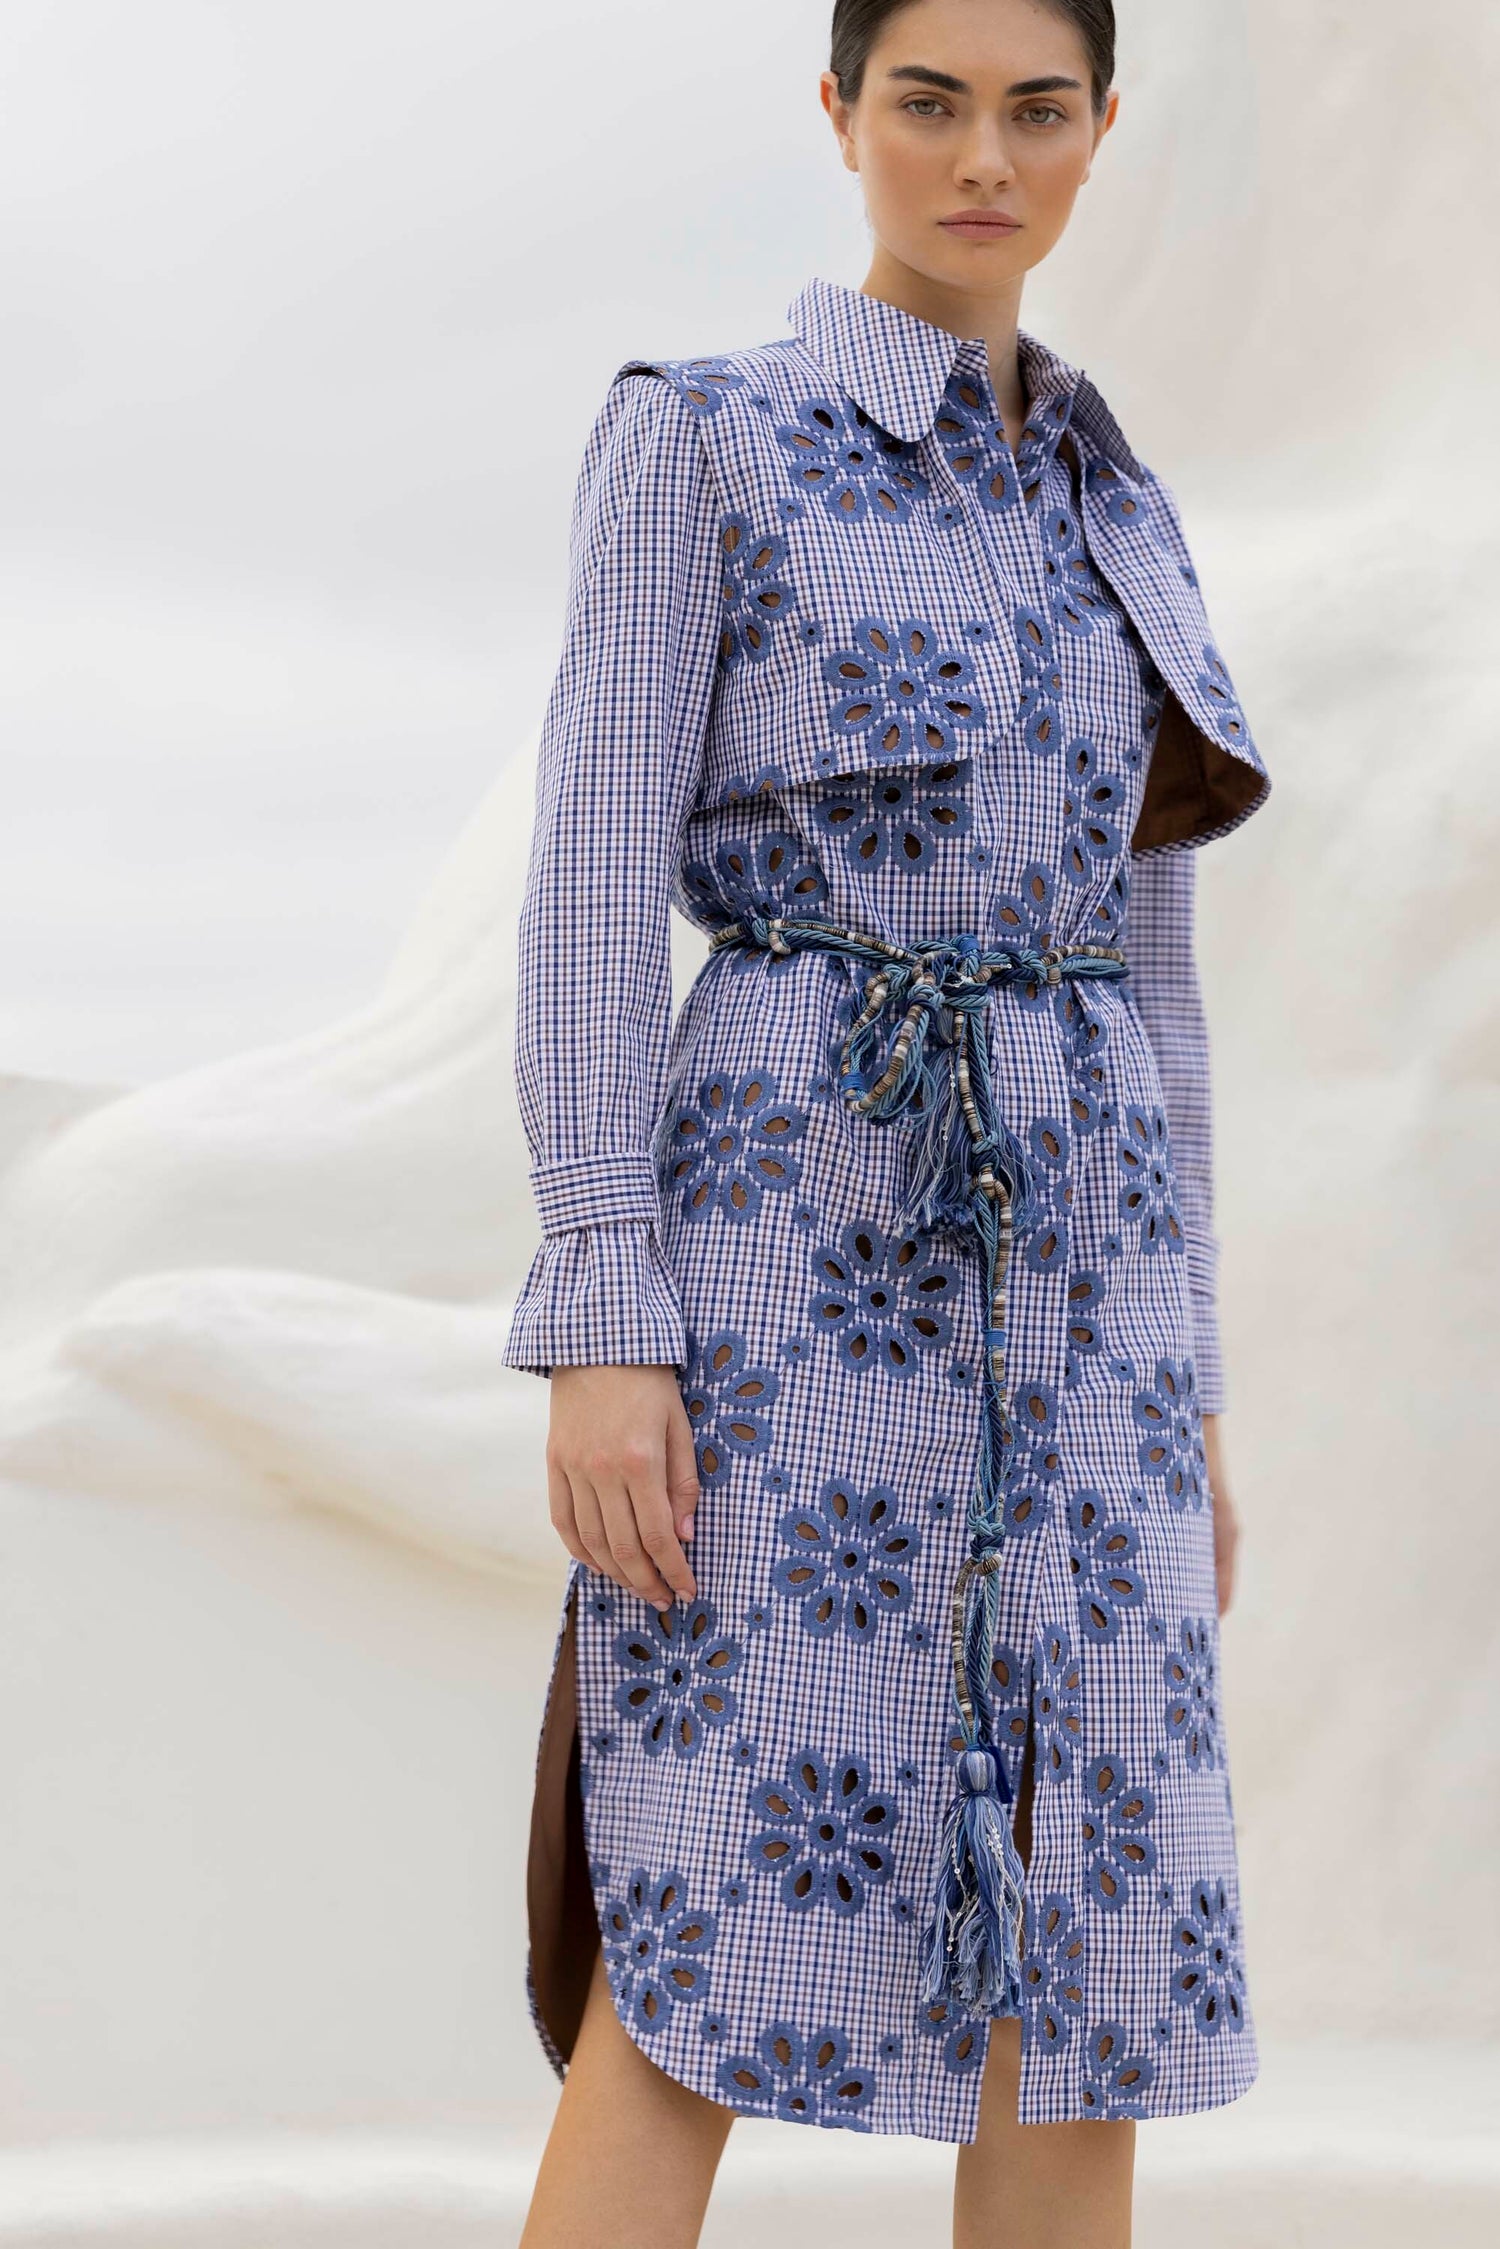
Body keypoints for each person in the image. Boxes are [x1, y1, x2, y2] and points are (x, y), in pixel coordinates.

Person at [502, 2, 1270, 2242]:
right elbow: (583, 902)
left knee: (1083, 1920)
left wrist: (1190, 1388)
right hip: (785, 1244)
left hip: (1094, 1285)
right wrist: (600, 1315)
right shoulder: (701, 441)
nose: (981, 160)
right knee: (711, 1893)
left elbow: (1154, 979)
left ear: (1102, 132)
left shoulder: (1119, 496)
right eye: (927, 104)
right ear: (840, 116)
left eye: (1038, 111)